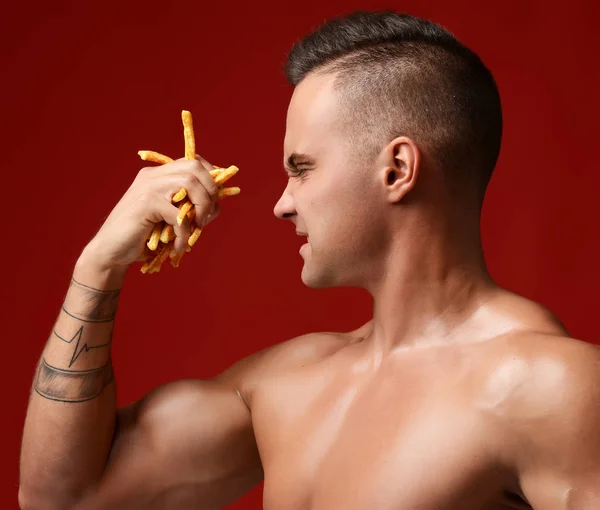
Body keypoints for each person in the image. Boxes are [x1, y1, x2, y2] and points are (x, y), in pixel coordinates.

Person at [19, 10, 600, 510]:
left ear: (396, 169)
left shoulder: (550, 389)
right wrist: (97, 266)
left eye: (301, 168)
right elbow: (61, 497)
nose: (281, 205)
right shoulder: (287, 385)